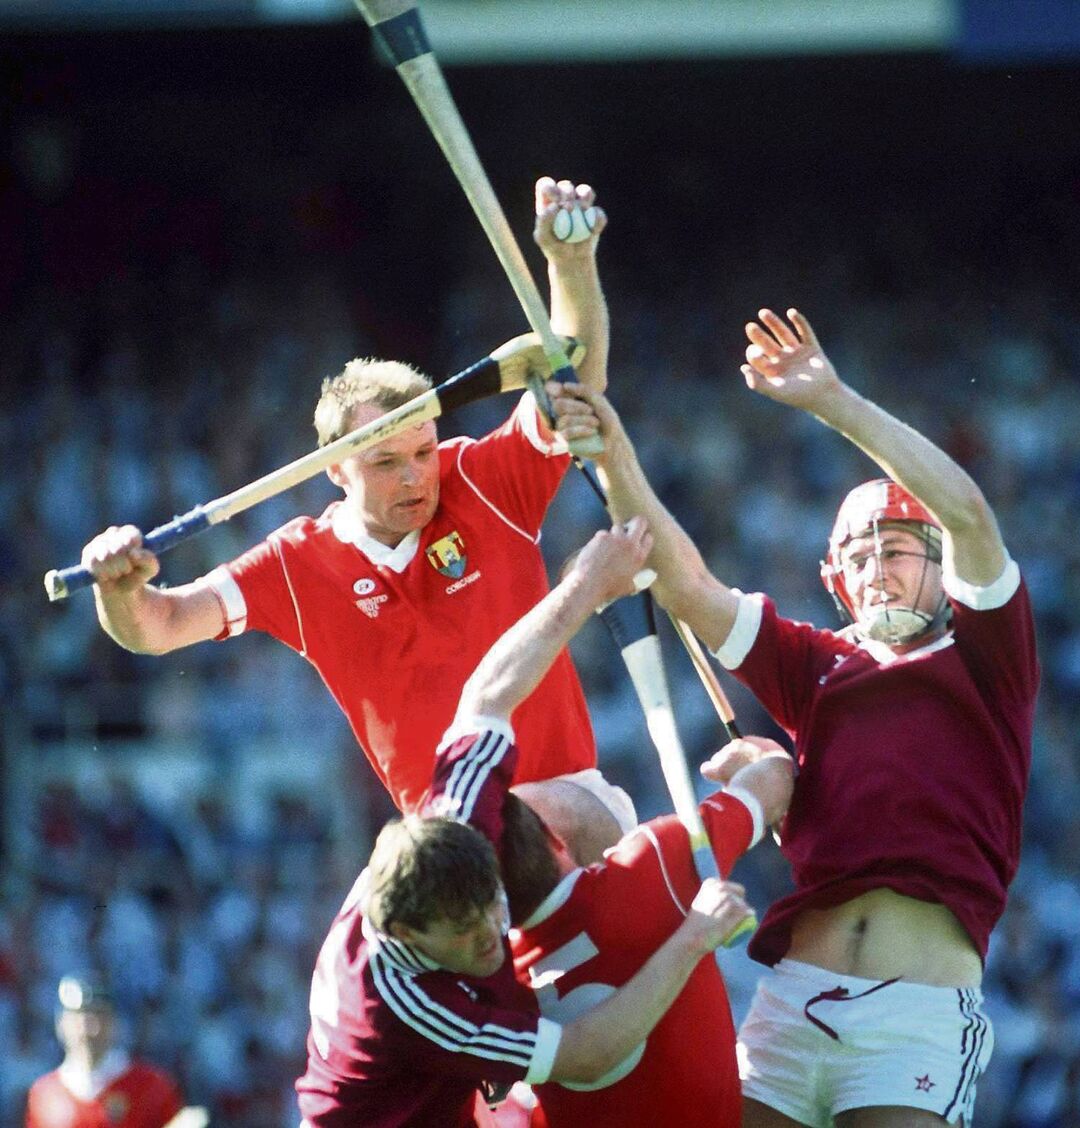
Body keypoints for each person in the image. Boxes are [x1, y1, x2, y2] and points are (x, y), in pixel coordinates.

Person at [584, 308, 1040, 1128]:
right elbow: (684, 584)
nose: (877, 572)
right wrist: (609, 443)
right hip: (791, 1003)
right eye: (858, 558)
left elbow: (968, 510)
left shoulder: (989, 655)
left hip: (917, 1015)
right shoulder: (817, 664)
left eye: (895, 549)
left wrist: (828, 399)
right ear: (835, 579)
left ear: (939, 564)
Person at [77, 176, 615, 819]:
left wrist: (570, 262)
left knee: (544, 822)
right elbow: (159, 626)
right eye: (385, 463)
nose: (417, 477)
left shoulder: (480, 478)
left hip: (570, 808)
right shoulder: (297, 563)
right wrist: (120, 588)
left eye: (422, 451)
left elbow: (574, 384)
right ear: (336, 471)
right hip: (453, 853)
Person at [293, 525, 753, 1126]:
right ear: (408, 932)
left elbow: (485, 697)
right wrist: (692, 936)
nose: (491, 933)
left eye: (491, 905)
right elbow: (588, 1056)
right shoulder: (403, 1004)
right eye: (462, 930)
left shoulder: (453, 829)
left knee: (585, 800)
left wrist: (587, 585)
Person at [426, 517, 795, 1127]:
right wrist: (761, 759)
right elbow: (777, 783)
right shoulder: (657, 863)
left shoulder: (484, 988)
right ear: (555, 839)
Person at [25, 976, 185, 1128]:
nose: (89, 1029)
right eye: (79, 1018)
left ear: (114, 1023)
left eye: (99, 1017)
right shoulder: (44, 1093)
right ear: (61, 1023)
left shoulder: (150, 1086)